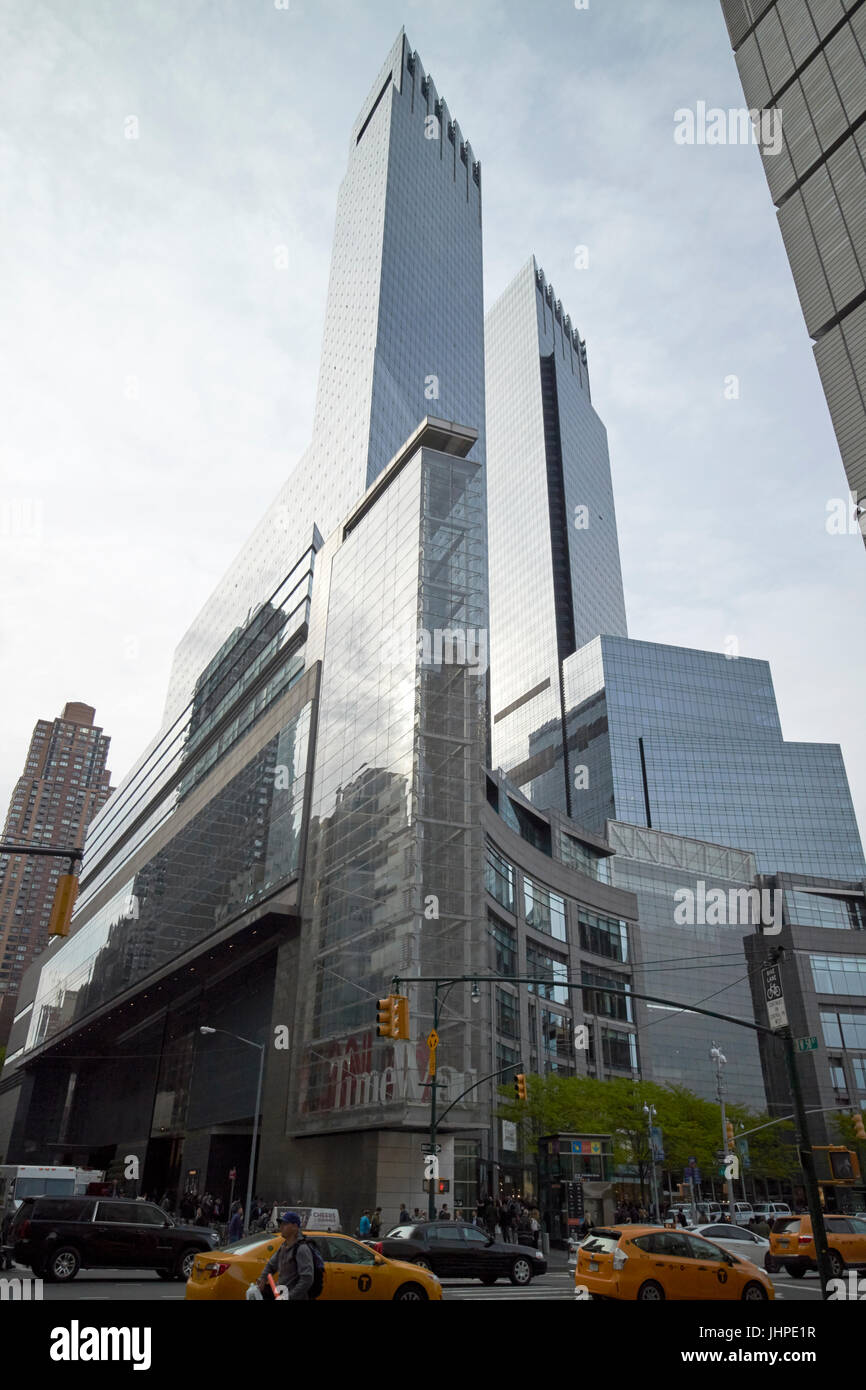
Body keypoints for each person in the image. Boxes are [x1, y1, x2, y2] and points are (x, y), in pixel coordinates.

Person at [258, 1212, 315, 1301]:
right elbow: (271, 1265)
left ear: (295, 1227)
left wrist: (290, 1297)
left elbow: (307, 1279)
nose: (281, 1227)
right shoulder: (283, 1247)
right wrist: (263, 1278)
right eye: (281, 1224)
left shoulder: (302, 1249)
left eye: (285, 1224)